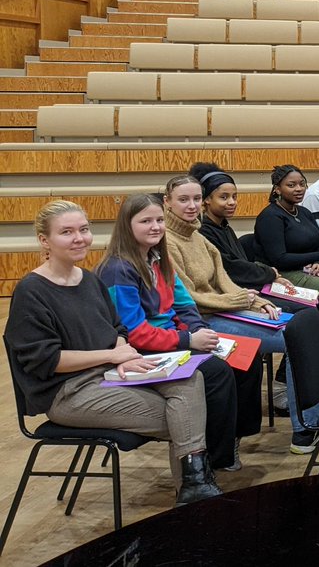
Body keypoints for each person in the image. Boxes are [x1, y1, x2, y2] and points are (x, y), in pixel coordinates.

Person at [5, 201, 222, 506]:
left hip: (108, 375)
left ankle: (194, 490)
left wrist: (124, 352)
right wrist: (110, 357)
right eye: (67, 232)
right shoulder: (32, 291)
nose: (79, 238)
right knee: (185, 419)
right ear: (45, 240)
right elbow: (47, 360)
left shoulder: (90, 279)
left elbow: (117, 328)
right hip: (68, 392)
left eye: (84, 229)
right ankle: (195, 494)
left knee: (189, 380)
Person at [162, 174, 319, 456]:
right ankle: (304, 428)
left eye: (195, 199)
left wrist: (256, 301)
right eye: (183, 200)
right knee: (297, 338)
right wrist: (239, 300)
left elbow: (225, 281)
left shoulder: (198, 237)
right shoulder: (168, 243)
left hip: (224, 309)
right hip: (201, 320)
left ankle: (312, 420)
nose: (191, 206)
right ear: (167, 203)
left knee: (303, 329)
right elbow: (188, 297)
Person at [94, 194, 252, 475]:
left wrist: (200, 331)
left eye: (158, 220)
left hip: (172, 338)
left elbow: (184, 304)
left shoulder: (158, 257)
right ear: (126, 226)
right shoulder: (118, 269)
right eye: (145, 221)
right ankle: (211, 458)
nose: (155, 226)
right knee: (216, 373)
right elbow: (134, 332)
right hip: (139, 350)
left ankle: (229, 442)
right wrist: (189, 341)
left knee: (243, 357)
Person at [190, 162, 311, 295]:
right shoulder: (203, 231)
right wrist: (270, 273)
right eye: (224, 197)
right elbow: (231, 268)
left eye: (234, 197)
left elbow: (241, 263)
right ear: (206, 199)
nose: (232, 202)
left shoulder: (224, 227)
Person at [254, 165, 319, 287]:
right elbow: (280, 260)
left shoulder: (305, 212)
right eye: (291, 185)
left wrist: (318, 262)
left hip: (310, 269)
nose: (299, 189)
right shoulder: (270, 217)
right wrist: (318, 256)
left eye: (302, 184)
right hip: (282, 274)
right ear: (277, 189)